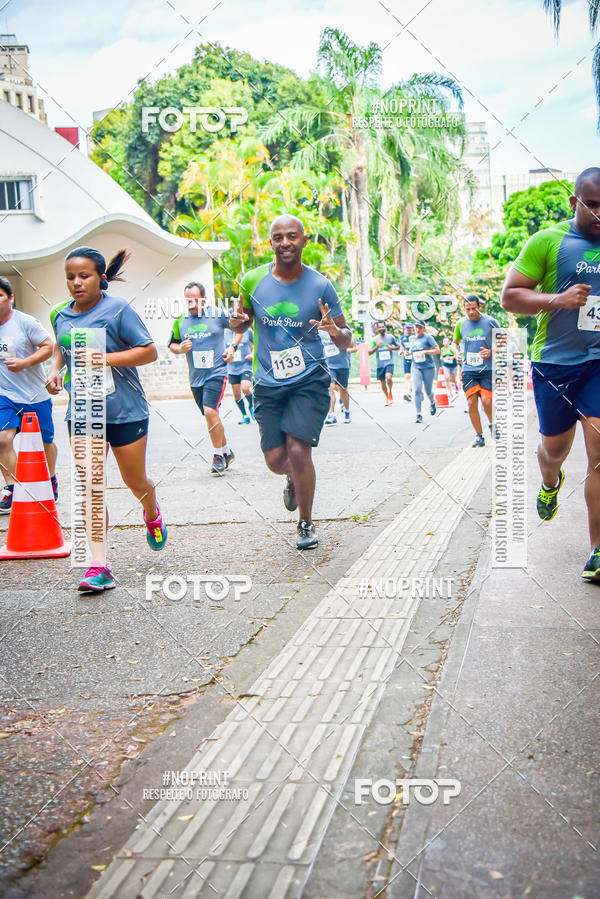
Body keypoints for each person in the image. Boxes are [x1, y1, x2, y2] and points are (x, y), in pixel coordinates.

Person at [47, 246, 166, 593]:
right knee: (90, 487)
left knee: (135, 480)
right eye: (70, 277)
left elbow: (149, 350)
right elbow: (61, 345)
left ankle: (151, 510)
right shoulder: (60, 314)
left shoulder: (118, 310)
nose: (76, 283)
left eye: (84, 276)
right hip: (83, 411)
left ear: (101, 277)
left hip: (125, 410)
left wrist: (105, 358)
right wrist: (56, 370)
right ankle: (98, 566)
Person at [229, 214, 351, 550]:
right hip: (267, 382)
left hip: (309, 379)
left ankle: (306, 523)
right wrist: (236, 324)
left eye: (292, 236)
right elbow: (242, 325)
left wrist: (335, 331)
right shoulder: (252, 281)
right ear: (270, 242)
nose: (285, 243)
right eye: (278, 237)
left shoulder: (320, 285)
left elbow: (345, 338)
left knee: (300, 451)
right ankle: (292, 478)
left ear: (304, 240)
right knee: (275, 459)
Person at [501, 166, 600, 582]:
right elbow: (510, 297)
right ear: (574, 202)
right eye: (593, 205)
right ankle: (549, 480)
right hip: (555, 364)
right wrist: (558, 300)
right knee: (553, 450)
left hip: (598, 362)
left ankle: (597, 550)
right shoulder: (548, 241)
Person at [0, 277, 58, 512]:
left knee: (46, 443)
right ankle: (13, 488)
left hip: (34, 395)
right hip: (5, 395)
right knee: (2, 439)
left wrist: (25, 362)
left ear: (10, 298)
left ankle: (51, 479)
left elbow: (49, 346)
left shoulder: (25, 322)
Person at [169, 282, 240, 474]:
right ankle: (226, 452)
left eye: (195, 300)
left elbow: (239, 328)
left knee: (210, 411)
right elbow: (172, 345)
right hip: (196, 377)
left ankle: (217, 456)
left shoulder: (217, 314)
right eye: (188, 300)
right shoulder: (180, 320)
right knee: (211, 416)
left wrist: (232, 347)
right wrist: (180, 349)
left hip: (216, 372)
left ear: (204, 299)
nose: (191, 304)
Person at [453, 295, 499, 447]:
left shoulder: (491, 322)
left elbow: (503, 341)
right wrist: (456, 352)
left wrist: (491, 351)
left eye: (474, 308)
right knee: (471, 404)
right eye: (468, 309)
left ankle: (492, 425)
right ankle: (479, 436)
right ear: (464, 309)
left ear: (479, 307)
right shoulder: (460, 324)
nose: (471, 312)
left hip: (488, 368)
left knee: (486, 402)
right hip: (469, 370)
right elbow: (455, 343)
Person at [322, 329, 355, 424]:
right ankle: (331, 415)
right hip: (328, 365)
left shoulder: (341, 329)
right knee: (330, 388)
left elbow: (351, 345)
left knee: (343, 389)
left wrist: (338, 338)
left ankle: (347, 411)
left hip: (342, 365)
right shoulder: (321, 332)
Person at [410, 321, 439, 423]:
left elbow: (437, 350)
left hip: (428, 367)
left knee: (428, 391)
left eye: (420, 327)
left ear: (423, 328)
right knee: (417, 389)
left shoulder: (428, 338)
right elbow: (411, 351)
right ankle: (419, 414)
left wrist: (425, 351)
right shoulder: (412, 338)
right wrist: (405, 352)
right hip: (416, 367)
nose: (417, 329)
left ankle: (432, 402)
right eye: (416, 327)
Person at [368, 321, 401, 405]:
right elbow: (369, 352)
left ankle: (390, 392)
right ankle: (388, 397)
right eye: (380, 327)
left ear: (385, 327)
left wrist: (392, 348)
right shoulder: (375, 339)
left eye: (383, 327)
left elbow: (398, 346)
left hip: (389, 362)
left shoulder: (390, 337)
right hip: (380, 364)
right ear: (377, 329)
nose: (381, 328)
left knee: (388, 377)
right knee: (382, 383)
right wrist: (377, 346)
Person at [226, 327, 254, 424]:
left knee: (245, 388)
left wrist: (252, 354)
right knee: (237, 394)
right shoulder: (225, 332)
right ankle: (245, 415)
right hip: (232, 368)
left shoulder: (247, 330)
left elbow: (257, 344)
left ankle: (251, 405)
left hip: (246, 365)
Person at [399, 322, 415, 402]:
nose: (408, 330)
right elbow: (402, 346)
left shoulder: (415, 337)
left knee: (416, 376)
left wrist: (410, 351)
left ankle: (418, 392)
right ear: (404, 329)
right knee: (407, 376)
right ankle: (408, 393)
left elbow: (416, 346)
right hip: (407, 358)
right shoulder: (403, 338)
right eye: (407, 328)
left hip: (416, 358)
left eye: (410, 328)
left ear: (413, 329)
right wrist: (401, 351)